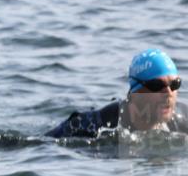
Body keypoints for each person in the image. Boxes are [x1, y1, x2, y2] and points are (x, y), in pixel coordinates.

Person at [46, 49, 187, 138]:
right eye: (157, 85)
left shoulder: (184, 121)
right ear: (134, 92)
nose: (169, 93)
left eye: (175, 84)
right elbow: (41, 145)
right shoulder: (92, 125)